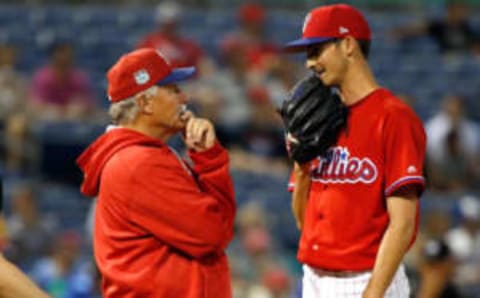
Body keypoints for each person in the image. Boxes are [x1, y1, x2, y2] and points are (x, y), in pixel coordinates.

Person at [284, 4, 426, 298]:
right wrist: (301, 167)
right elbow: (304, 223)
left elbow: (403, 224)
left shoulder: (393, 117)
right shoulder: (318, 118)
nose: (310, 64)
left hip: (367, 278)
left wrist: (373, 292)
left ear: (347, 45)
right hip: (313, 277)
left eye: (317, 50)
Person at [76, 48, 235, 298]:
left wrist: (206, 156)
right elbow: (213, 235)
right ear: (145, 103)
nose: (184, 97)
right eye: (172, 90)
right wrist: (211, 162)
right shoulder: (139, 163)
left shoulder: (142, 155)